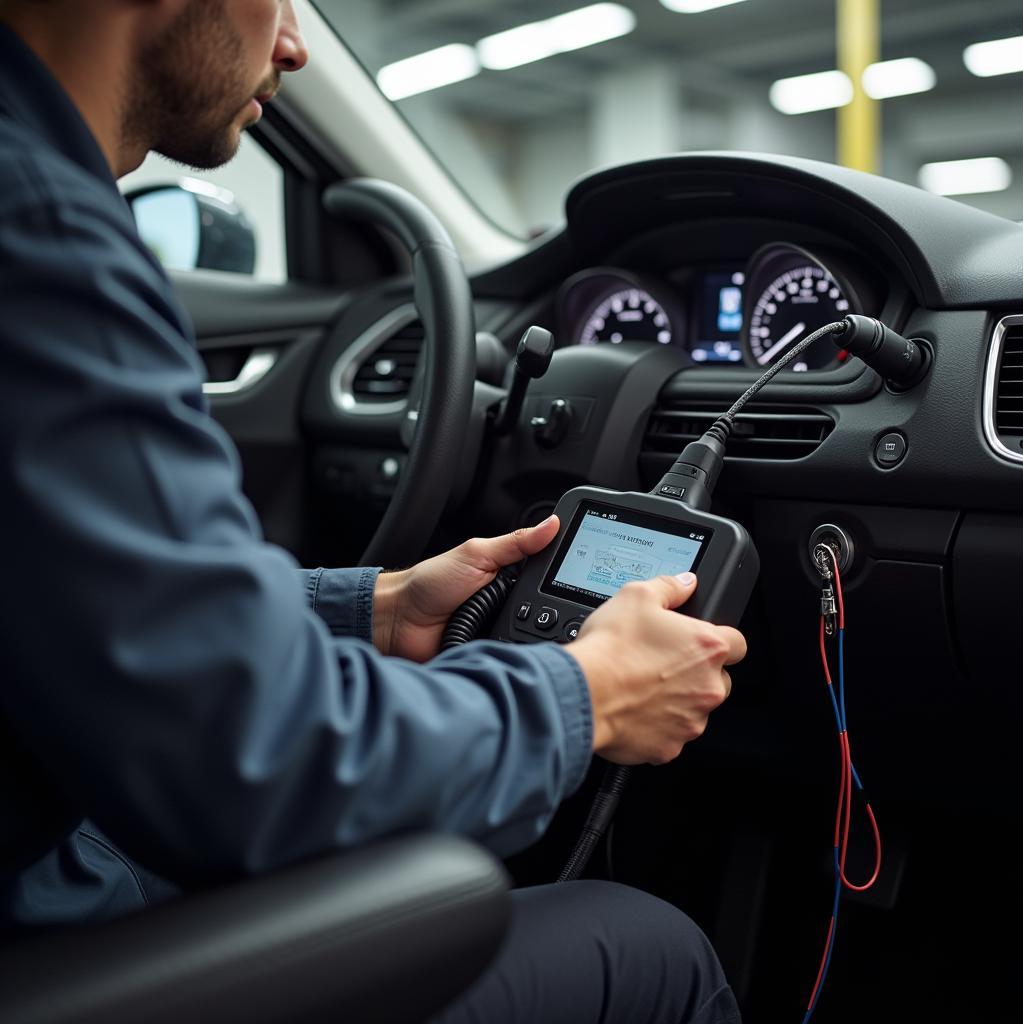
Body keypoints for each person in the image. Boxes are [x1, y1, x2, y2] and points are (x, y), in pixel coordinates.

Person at [0, 2, 746, 1021]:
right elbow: (254, 764)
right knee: (648, 943)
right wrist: (589, 696)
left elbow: (72, 608)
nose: (296, 45)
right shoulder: (43, 238)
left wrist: (374, 609)